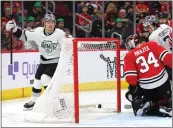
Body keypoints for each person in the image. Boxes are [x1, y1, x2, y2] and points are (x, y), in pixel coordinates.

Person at [6, 14, 66, 110]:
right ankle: (34, 101)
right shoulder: (38, 32)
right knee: (37, 81)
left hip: (56, 61)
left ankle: (57, 100)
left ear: (55, 23)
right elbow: (24, 35)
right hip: (44, 61)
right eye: (48, 22)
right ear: (44, 23)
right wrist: (14, 29)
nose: (50, 24)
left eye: (52, 22)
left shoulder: (60, 34)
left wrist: (65, 64)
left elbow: (65, 50)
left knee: (45, 78)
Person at [124, 34, 172, 117]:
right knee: (166, 100)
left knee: (129, 93)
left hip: (147, 88)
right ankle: (165, 105)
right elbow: (169, 60)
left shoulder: (129, 55)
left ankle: (142, 104)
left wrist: (136, 86)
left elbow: (131, 78)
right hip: (164, 85)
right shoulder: (152, 44)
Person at [143, 15, 172, 83]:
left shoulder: (152, 37)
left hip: (168, 61)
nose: (148, 29)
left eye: (148, 27)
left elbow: (156, 53)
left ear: (154, 24)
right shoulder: (165, 26)